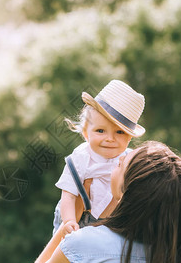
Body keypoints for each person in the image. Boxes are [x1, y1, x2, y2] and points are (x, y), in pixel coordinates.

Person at [26, 141, 181, 263]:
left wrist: (70, 221)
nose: (119, 158)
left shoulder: (84, 244)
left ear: (127, 192)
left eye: (120, 165)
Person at [53, 79, 146, 238]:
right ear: (86, 132)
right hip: (77, 219)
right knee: (67, 254)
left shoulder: (129, 160)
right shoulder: (81, 158)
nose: (110, 138)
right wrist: (68, 221)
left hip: (110, 223)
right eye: (101, 131)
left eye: (119, 132)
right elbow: (68, 195)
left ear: (129, 138)